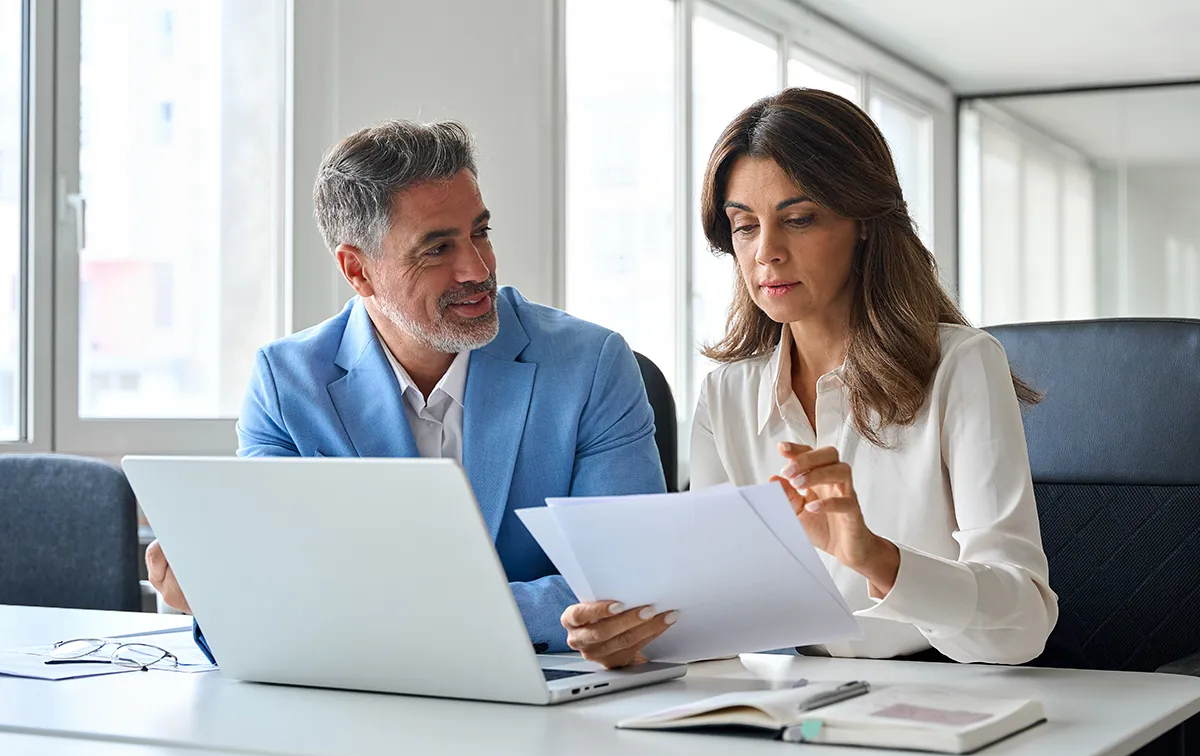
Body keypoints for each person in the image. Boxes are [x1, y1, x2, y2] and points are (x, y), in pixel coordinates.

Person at [563, 88, 1058, 668]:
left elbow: (1023, 625)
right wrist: (631, 632)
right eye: (744, 227)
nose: (766, 252)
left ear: (865, 223)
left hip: (939, 688)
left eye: (797, 220)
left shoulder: (962, 364)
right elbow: (720, 614)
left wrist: (876, 559)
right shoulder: (726, 394)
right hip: (793, 694)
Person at [146, 119, 673, 658]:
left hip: (556, 701)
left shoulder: (589, 365)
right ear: (358, 270)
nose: (477, 267)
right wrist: (212, 595)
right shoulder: (288, 385)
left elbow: (628, 579)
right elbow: (270, 600)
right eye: (437, 248)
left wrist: (379, 615)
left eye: (480, 233)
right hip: (363, 708)